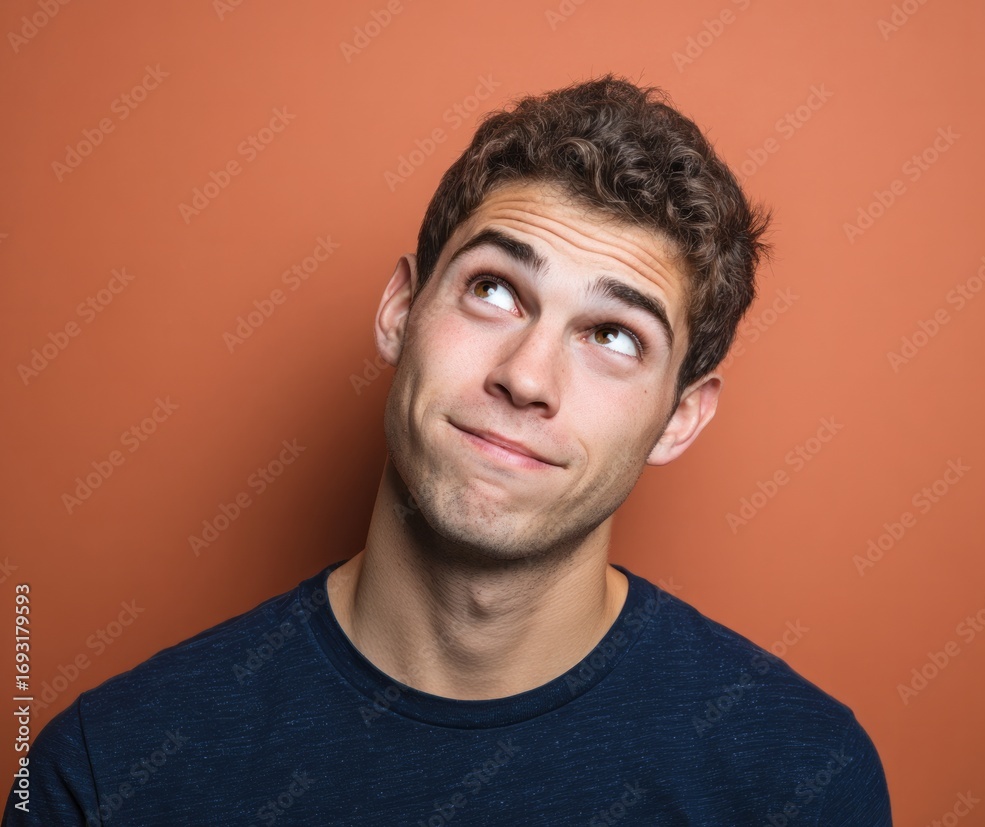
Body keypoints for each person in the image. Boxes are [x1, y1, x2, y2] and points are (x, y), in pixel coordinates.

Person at [4, 74, 892, 825]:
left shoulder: (799, 779)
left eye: (615, 336)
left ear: (680, 419)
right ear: (401, 310)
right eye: (496, 289)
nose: (527, 377)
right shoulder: (107, 771)